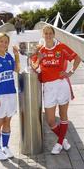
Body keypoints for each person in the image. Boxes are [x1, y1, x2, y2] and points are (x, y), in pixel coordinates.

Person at [31, 25, 81, 154]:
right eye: (45, 33)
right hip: (48, 87)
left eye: (50, 33)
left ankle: (59, 143)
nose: (48, 36)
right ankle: (63, 140)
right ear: (43, 35)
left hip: (62, 84)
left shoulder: (61, 47)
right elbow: (35, 67)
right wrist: (39, 59)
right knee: (50, 120)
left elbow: (77, 57)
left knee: (63, 115)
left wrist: (70, 72)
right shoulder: (40, 50)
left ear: (53, 34)